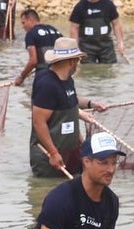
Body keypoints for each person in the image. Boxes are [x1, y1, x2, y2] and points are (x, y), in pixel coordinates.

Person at [29, 37, 107, 177]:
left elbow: (69, 100)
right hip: (49, 157)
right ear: (72, 61)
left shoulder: (67, 79)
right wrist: (53, 153)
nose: (78, 64)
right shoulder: (46, 83)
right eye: (77, 60)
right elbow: (38, 122)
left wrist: (91, 104)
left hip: (69, 152)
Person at [13, 8, 61, 85]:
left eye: (23, 23)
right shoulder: (55, 30)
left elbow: (33, 61)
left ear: (30, 20)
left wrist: (22, 77)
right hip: (59, 75)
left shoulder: (31, 34)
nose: (23, 26)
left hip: (43, 76)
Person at [68, 0, 124, 64]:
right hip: (86, 47)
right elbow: (74, 28)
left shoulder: (108, 4)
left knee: (110, 68)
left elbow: (116, 24)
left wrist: (120, 43)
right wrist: (75, 49)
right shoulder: (80, 6)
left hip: (106, 46)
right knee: (87, 70)